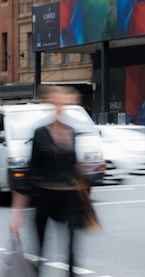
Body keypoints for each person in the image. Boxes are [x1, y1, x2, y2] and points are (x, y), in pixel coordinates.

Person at [11, 85, 87, 276]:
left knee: (71, 253)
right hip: (45, 197)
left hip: (69, 197)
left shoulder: (72, 132)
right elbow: (31, 171)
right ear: (51, 105)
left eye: (64, 103)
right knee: (40, 249)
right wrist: (17, 215)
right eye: (57, 103)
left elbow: (75, 167)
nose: (60, 107)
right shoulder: (40, 134)